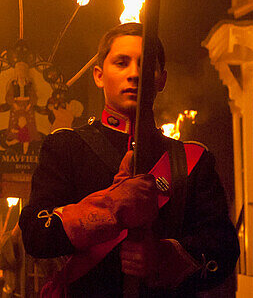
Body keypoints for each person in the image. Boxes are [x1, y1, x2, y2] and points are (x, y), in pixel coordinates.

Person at [19, 22, 239, 296]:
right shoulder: (65, 147)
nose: (134, 74)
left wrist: (163, 256)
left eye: (146, 65)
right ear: (99, 75)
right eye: (121, 63)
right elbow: (36, 236)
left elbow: (223, 247)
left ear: (161, 79)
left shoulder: (193, 160)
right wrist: (109, 209)